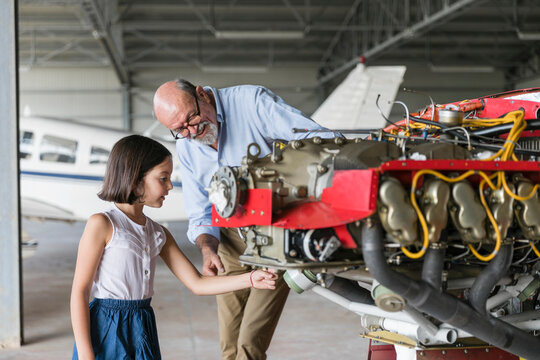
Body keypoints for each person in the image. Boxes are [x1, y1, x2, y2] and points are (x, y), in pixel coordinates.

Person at [153, 79, 335, 360]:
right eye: (180, 130)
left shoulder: (252, 103)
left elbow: (318, 141)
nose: (192, 131)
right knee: (229, 347)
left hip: (276, 239)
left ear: (202, 95)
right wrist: (207, 248)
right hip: (229, 244)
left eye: (192, 118)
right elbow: (201, 210)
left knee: (249, 346)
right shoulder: (188, 147)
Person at [70, 134, 278, 360]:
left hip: (143, 323)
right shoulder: (102, 224)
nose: (170, 185)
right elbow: (80, 291)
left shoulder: (158, 233)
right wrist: (85, 353)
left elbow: (197, 283)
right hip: (106, 326)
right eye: (163, 178)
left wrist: (250, 279)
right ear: (136, 178)